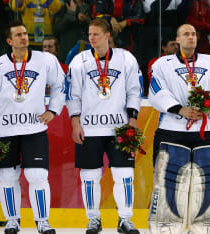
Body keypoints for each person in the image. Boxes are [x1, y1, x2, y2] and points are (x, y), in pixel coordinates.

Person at [0, 21, 66, 234]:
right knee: (7, 177)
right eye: (18, 35)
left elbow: (60, 86)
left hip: (34, 130)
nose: (24, 37)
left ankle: (42, 221)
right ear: (9, 41)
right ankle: (12, 220)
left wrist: (53, 110)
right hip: (4, 131)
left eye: (25, 34)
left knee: (37, 176)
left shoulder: (46, 60)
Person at [148, 24, 210, 234]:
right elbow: (156, 90)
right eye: (185, 34)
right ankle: (165, 226)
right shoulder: (162, 64)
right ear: (177, 39)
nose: (190, 37)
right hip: (172, 130)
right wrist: (180, 109)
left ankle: (206, 227)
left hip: (207, 129)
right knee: (169, 179)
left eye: (193, 34)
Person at [65, 18, 143, 234]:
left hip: (119, 128)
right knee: (89, 177)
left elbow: (135, 90)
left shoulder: (126, 58)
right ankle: (93, 219)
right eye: (90, 34)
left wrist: (133, 121)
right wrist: (75, 123)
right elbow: (72, 95)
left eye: (96, 34)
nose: (91, 38)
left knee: (124, 174)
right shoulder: (79, 61)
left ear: (108, 35)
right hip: (89, 128)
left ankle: (125, 219)